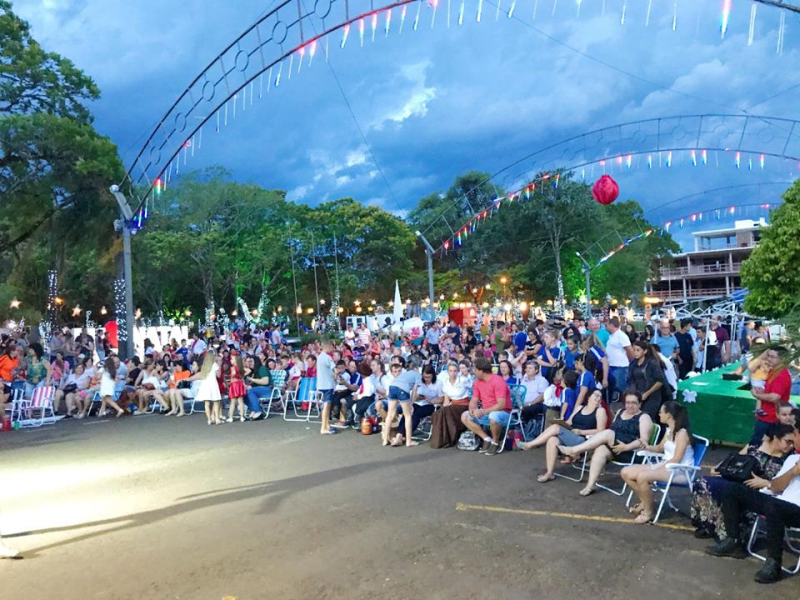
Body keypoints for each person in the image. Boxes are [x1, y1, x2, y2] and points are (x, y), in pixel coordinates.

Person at [706, 426, 800, 583]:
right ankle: (733, 540)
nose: (794, 440)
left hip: (795, 511)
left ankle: (774, 563)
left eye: (796, 435)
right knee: (733, 489)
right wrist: (792, 472)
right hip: (779, 501)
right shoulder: (792, 460)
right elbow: (776, 487)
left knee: (773, 506)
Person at [692, 423, 794, 540]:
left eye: (792, 442)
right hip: (737, 479)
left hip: (761, 490)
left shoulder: (788, 459)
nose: (791, 445)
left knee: (730, 491)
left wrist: (765, 483)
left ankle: (726, 531)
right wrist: (719, 467)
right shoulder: (755, 445)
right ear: (776, 438)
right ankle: (709, 524)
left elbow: (783, 483)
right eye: (787, 441)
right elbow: (735, 458)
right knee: (703, 482)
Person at [559, 390, 654, 497]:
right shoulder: (620, 412)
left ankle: (575, 450)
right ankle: (590, 485)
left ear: (640, 404)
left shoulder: (644, 417)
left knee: (608, 433)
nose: (630, 405)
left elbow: (643, 441)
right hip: (615, 448)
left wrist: (626, 447)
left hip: (631, 452)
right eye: (627, 402)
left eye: (634, 403)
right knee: (600, 450)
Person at [621, 401, 695, 524]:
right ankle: (645, 502)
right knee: (626, 472)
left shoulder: (682, 434)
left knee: (642, 476)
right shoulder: (669, 431)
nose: (659, 414)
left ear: (669, 415)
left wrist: (655, 469)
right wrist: (646, 446)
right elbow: (660, 448)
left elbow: (677, 459)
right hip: (666, 465)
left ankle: (649, 512)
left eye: (661, 411)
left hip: (680, 470)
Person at [521, 389, 607, 483]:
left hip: (583, 440)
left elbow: (601, 431)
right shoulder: (579, 408)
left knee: (556, 428)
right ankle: (550, 473)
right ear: (589, 396)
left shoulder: (600, 411)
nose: (599, 398)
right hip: (571, 435)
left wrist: (581, 432)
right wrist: (561, 423)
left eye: (600, 397)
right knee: (552, 439)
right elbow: (569, 422)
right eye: (596, 395)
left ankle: (530, 444)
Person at [460, 357, 511, 456]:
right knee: (465, 416)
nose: (473, 372)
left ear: (481, 371)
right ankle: (486, 439)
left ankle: (495, 442)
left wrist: (482, 412)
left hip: (504, 413)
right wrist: (472, 409)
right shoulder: (478, 382)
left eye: (475, 369)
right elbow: (474, 399)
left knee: (494, 416)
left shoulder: (498, 381)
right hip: (487, 411)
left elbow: (501, 405)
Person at [749, 345, 793, 446]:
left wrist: (757, 395)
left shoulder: (781, 375)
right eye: (768, 356)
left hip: (771, 418)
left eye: (772, 357)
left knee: (757, 446)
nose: (769, 359)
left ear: (782, 359)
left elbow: (774, 397)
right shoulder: (773, 371)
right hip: (767, 415)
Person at [391, 365, 442, 446]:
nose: (426, 379)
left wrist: (432, 400)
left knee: (416, 414)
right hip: (418, 402)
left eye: (428, 377)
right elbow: (413, 394)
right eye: (425, 377)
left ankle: (404, 436)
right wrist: (416, 398)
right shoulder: (420, 381)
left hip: (431, 404)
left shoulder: (438, 383)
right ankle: (399, 435)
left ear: (433, 375)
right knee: (408, 411)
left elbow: (441, 399)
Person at [430, 361, 472, 448]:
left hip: (463, 405)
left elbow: (473, 391)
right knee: (439, 413)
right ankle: (441, 440)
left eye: (455, 371)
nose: (453, 373)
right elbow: (446, 400)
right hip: (452, 405)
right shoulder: (446, 382)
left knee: (447, 412)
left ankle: (450, 439)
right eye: (451, 371)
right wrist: (446, 405)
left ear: (458, 371)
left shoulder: (463, 380)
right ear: (447, 372)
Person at [382, 356, 421, 448]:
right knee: (408, 415)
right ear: (416, 368)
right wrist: (411, 403)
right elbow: (414, 391)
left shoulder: (405, 374)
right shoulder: (417, 375)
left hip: (392, 387)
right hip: (403, 390)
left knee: (390, 414)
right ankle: (408, 441)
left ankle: (385, 440)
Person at [627, 340, 668, 420]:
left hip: (652, 396)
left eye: (638, 350)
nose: (635, 352)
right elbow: (631, 380)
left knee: (647, 417)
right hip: (638, 395)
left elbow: (660, 381)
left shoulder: (652, 363)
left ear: (645, 351)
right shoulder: (633, 364)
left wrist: (647, 393)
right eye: (634, 350)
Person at [191, 350, 222, 425]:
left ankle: (209, 419)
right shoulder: (214, 364)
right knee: (215, 402)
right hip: (213, 384)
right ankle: (217, 418)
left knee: (206, 403)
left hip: (205, 384)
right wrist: (219, 366)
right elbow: (219, 375)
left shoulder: (203, 365)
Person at [606, 317, 633, 399]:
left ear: (611, 325)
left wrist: (630, 361)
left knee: (621, 387)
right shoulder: (611, 336)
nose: (606, 327)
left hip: (620, 366)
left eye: (607, 325)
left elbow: (629, 350)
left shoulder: (621, 335)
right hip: (611, 365)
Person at [317, 341, 338, 435]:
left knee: (326, 405)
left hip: (321, 384)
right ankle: (324, 427)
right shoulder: (328, 358)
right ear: (328, 346)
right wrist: (335, 378)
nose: (332, 349)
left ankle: (326, 425)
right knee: (327, 405)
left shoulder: (319, 357)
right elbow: (336, 370)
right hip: (328, 384)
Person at [226, 351, 247, 422]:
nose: (230, 360)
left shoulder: (233, 368)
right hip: (240, 384)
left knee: (232, 402)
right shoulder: (240, 367)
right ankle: (242, 416)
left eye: (232, 359)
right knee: (241, 401)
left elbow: (233, 375)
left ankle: (231, 417)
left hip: (234, 385)